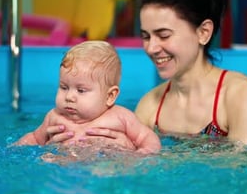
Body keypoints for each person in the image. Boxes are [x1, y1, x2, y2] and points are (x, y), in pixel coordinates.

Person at [47, 0, 247, 149]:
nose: (151, 47)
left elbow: (244, 173)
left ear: (203, 32)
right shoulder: (150, 106)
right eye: (146, 36)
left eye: (163, 35)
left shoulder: (242, 95)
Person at [13, 40, 161, 155]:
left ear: (110, 96)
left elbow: (147, 138)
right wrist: (15, 149)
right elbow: (34, 138)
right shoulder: (54, 117)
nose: (69, 96)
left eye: (81, 90)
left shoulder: (121, 117)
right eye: (64, 87)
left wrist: (143, 154)